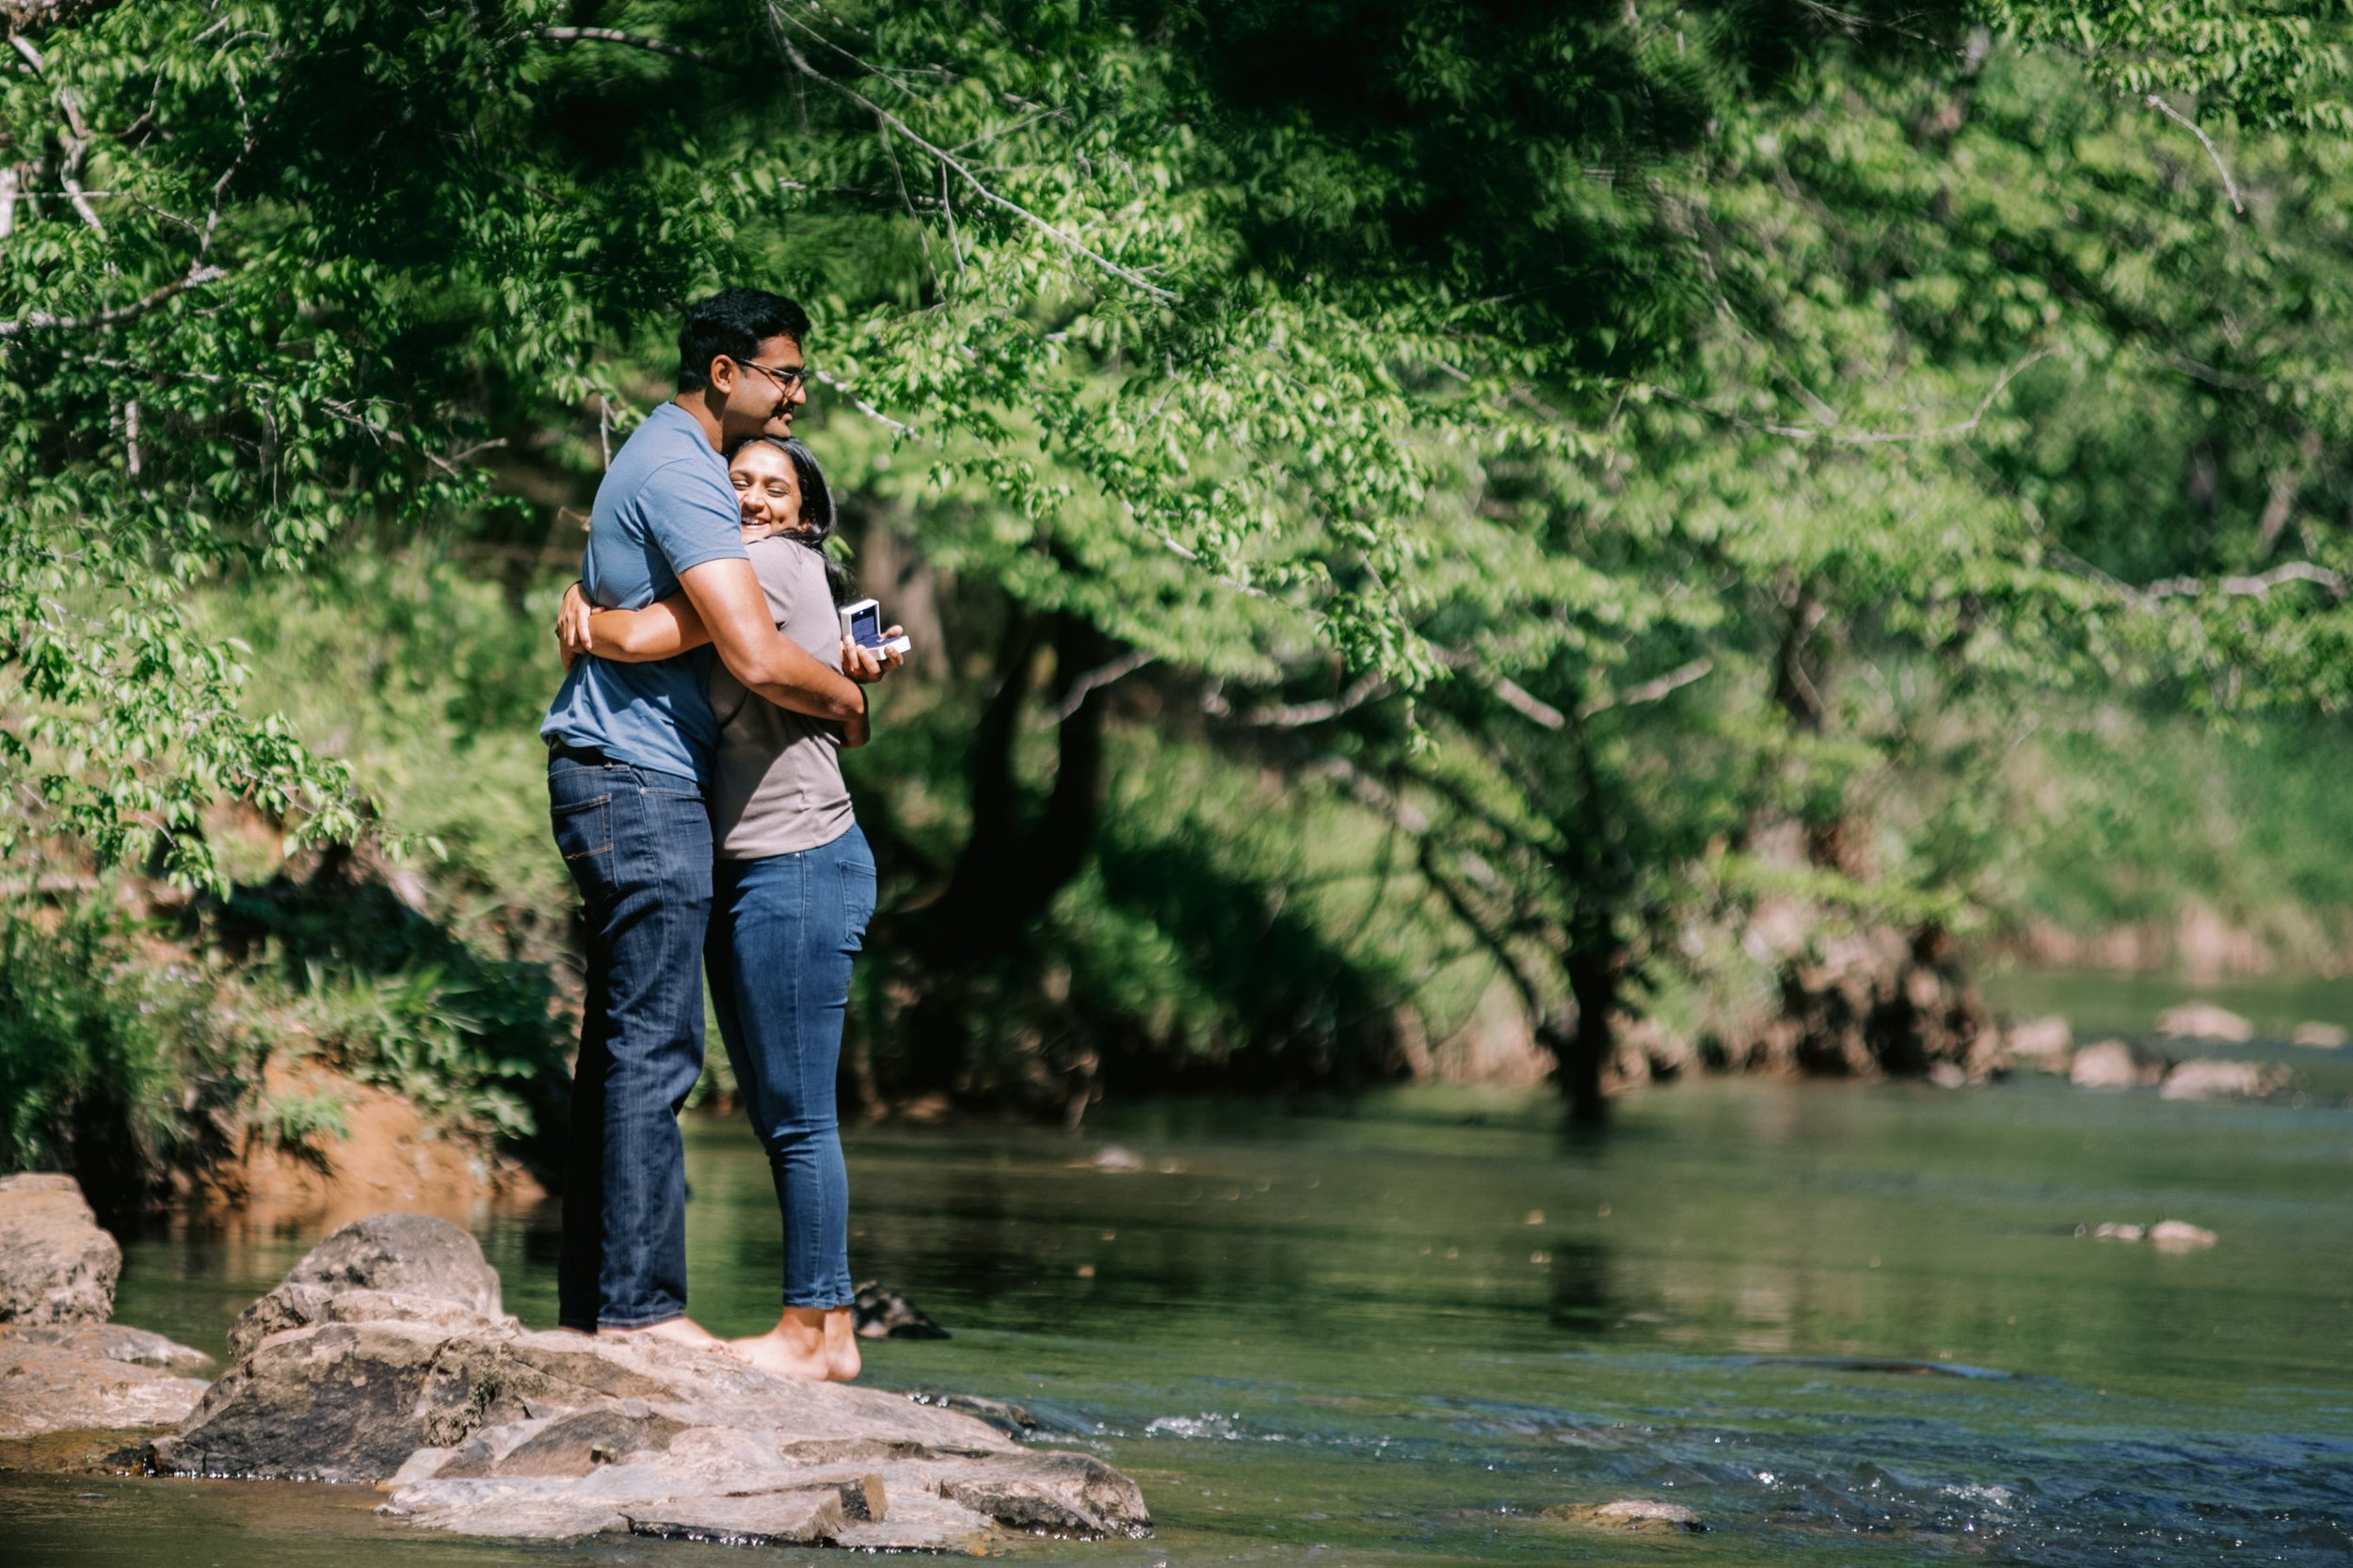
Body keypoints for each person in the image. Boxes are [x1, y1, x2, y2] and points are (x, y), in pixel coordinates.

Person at [540, 289, 885, 1347]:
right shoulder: (686, 469)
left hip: (627, 777)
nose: (796, 396)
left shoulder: (666, 461)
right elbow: (745, 649)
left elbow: (669, 625)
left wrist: (596, 622)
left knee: (622, 1049)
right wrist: (850, 703)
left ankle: (602, 1308)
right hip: (639, 782)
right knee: (654, 1049)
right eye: (784, 374)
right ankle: (641, 1315)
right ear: (725, 373)